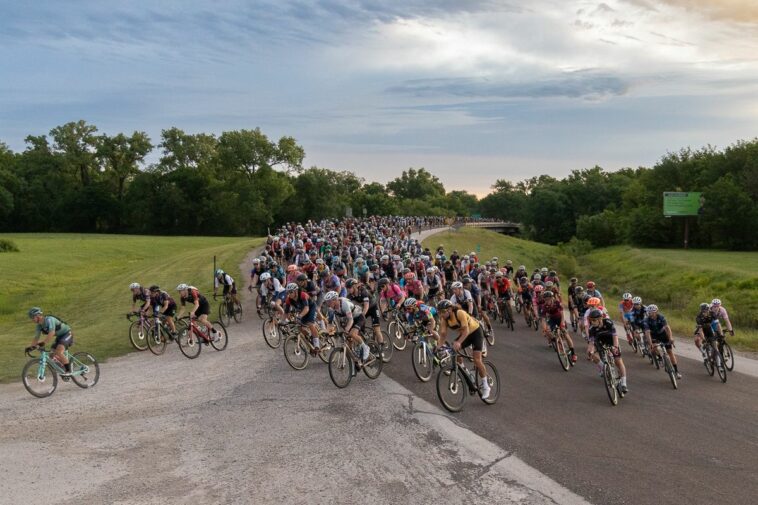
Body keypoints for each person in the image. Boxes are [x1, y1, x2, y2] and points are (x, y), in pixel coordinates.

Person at [437, 299, 491, 400]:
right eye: (439, 312)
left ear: (450, 309)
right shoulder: (444, 320)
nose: (441, 315)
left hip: (475, 332)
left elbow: (466, 331)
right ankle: (463, 369)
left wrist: (459, 342)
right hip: (465, 335)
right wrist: (438, 347)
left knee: (476, 359)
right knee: (454, 350)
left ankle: (486, 385)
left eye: (443, 312)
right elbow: (443, 335)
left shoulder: (460, 313)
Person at [587, 309, 628, 394]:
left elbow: (615, 336)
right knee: (592, 355)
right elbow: (591, 343)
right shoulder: (591, 329)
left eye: (594, 320)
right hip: (600, 343)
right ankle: (604, 368)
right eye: (591, 320)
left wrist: (615, 347)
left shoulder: (608, 322)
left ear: (600, 319)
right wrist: (590, 351)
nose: (592, 322)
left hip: (611, 341)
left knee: (618, 361)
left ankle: (624, 384)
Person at [323, 291, 371, 363]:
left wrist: (346, 330)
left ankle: (365, 347)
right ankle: (356, 358)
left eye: (329, 302)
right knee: (348, 341)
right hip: (349, 320)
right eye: (327, 302)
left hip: (358, 317)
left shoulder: (344, 304)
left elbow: (351, 320)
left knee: (352, 334)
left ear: (335, 300)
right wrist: (327, 332)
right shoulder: (331, 309)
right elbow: (330, 323)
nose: (328, 304)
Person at [26, 307, 73, 377]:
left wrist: (44, 342)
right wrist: (31, 347)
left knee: (59, 352)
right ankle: (64, 366)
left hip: (67, 334)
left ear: (38, 315)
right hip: (59, 337)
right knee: (52, 355)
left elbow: (52, 332)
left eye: (33, 317)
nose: (32, 320)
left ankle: (68, 370)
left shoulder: (49, 319)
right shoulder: (39, 326)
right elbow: (36, 338)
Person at [643, 304, 681, 379]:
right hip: (653, 335)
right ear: (648, 313)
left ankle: (676, 371)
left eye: (653, 312)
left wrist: (670, 338)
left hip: (663, 334)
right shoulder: (646, 320)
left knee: (670, 351)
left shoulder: (661, 317)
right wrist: (650, 344)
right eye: (650, 312)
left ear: (656, 312)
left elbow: (667, 328)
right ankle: (659, 357)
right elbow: (647, 333)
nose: (652, 314)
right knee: (653, 349)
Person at [284, 282, 321, 354]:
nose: (289, 294)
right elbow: (286, 313)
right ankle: (310, 337)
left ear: (296, 291)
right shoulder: (288, 300)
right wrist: (282, 321)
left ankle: (317, 345)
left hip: (311, 308)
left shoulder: (303, 295)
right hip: (302, 311)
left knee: (310, 324)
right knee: (299, 327)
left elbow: (306, 308)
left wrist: (299, 316)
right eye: (288, 292)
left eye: (291, 292)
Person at [541, 291, 577, 363]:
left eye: (548, 299)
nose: (547, 300)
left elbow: (562, 313)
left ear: (552, 298)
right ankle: (557, 341)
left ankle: (573, 353)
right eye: (545, 299)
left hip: (560, 318)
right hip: (552, 319)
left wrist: (562, 322)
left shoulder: (556, 302)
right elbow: (543, 319)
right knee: (547, 331)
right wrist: (544, 329)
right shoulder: (544, 306)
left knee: (565, 334)